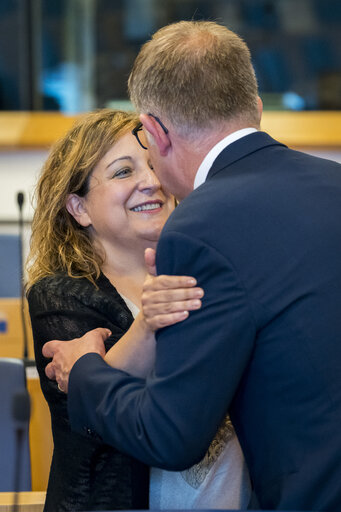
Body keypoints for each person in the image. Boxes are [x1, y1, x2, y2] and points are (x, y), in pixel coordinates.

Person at [43, 21, 341, 511]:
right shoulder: (333, 183)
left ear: (155, 131)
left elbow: (174, 436)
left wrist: (85, 374)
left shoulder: (201, 224)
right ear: (257, 109)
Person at [27, 107, 250, 511]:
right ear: (78, 208)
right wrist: (147, 323)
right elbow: (94, 400)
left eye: (153, 165)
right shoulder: (57, 295)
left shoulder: (205, 269)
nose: (151, 182)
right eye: (123, 172)